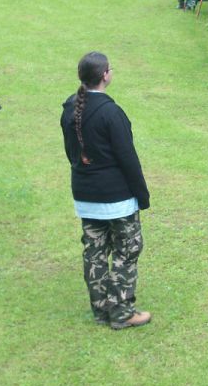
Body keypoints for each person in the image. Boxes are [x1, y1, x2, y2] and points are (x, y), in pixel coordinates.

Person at [60, 52, 152, 329]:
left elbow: (70, 153)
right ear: (104, 75)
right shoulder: (111, 113)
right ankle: (121, 311)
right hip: (116, 198)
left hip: (85, 194)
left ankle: (101, 308)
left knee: (95, 251)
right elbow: (128, 158)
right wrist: (142, 195)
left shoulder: (70, 108)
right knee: (127, 249)